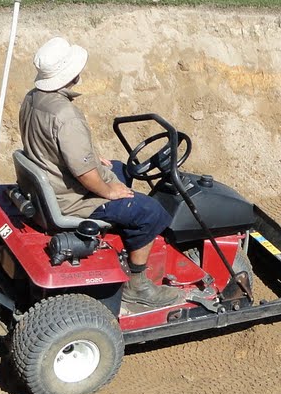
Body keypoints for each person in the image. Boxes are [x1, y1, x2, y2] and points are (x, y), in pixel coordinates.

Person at [18, 36, 186, 310]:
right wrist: (110, 191)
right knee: (151, 212)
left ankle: (123, 236)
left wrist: (94, 158)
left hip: (49, 183)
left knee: (119, 167)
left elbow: (53, 143)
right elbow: (84, 173)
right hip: (70, 199)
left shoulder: (34, 98)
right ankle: (137, 284)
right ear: (71, 75)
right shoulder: (65, 115)